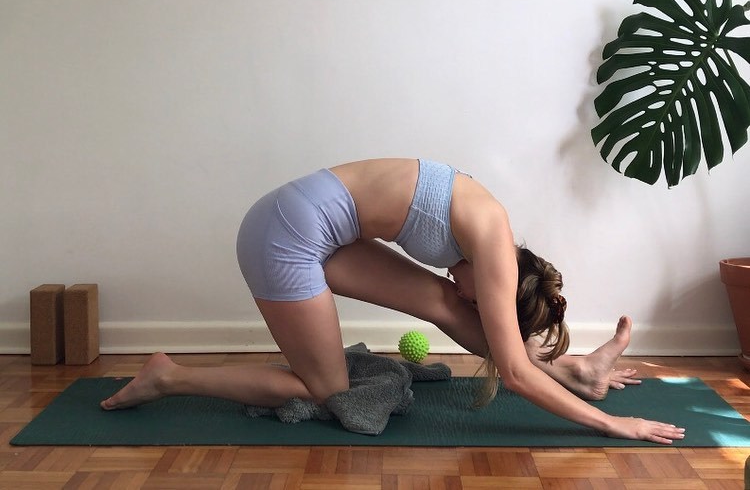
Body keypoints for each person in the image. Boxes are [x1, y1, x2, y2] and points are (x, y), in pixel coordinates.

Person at [101, 158, 685, 444]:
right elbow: (511, 372)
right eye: (482, 304)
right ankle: (169, 377)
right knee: (324, 389)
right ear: (502, 288)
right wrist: (613, 425)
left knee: (441, 303)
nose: (469, 298)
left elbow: (476, 329)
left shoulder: (491, 239)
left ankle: (578, 371)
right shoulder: (491, 246)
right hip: (284, 234)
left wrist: (560, 369)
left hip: (314, 227)